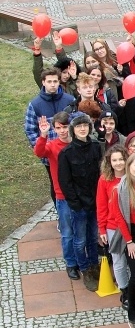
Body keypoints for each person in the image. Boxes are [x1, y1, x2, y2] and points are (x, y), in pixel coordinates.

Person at [58, 113, 103, 291]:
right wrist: (75, 203)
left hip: (94, 201)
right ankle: (85, 269)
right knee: (79, 240)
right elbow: (65, 182)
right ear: (73, 130)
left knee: (93, 237)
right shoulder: (66, 153)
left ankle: (94, 265)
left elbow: (100, 174)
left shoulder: (96, 147)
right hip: (79, 204)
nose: (82, 129)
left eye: (85, 125)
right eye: (78, 126)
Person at [33, 112, 79, 280]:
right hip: (63, 196)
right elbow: (39, 152)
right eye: (58, 128)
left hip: (80, 194)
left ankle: (83, 260)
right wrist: (43, 135)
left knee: (82, 230)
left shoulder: (77, 143)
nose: (62, 131)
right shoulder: (52, 146)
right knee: (67, 232)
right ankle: (71, 263)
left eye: (65, 127)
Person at [108, 154, 135, 322]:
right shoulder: (119, 189)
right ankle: (131, 306)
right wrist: (129, 242)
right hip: (131, 233)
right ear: (129, 166)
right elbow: (119, 218)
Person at [26, 67, 76, 206]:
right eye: (49, 81)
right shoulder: (35, 104)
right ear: (43, 82)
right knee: (55, 184)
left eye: (55, 81)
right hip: (50, 154)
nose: (53, 84)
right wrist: (41, 148)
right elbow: (30, 130)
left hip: (70, 150)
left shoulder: (69, 100)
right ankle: (60, 213)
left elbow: (76, 123)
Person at [96, 145, 129, 303]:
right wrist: (101, 228)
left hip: (130, 225)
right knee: (118, 260)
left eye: (121, 159)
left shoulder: (132, 177)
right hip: (112, 226)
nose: (118, 163)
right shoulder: (104, 179)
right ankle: (125, 290)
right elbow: (101, 205)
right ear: (109, 162)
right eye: (114, 160)